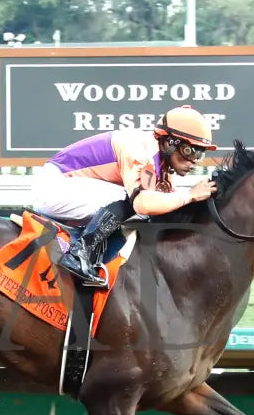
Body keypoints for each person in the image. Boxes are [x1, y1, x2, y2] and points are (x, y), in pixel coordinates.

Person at [31, 104, 219, 287]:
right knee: (132, 201)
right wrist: (190, 195)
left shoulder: (161, 164)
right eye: (190, 151)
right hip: (53, 186)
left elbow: (165, 206)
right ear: (170, 142)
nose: (194, 162)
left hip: (70, 187)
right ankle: (79, 254)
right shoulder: (141, 152)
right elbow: (143, 204)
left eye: (199, 154)